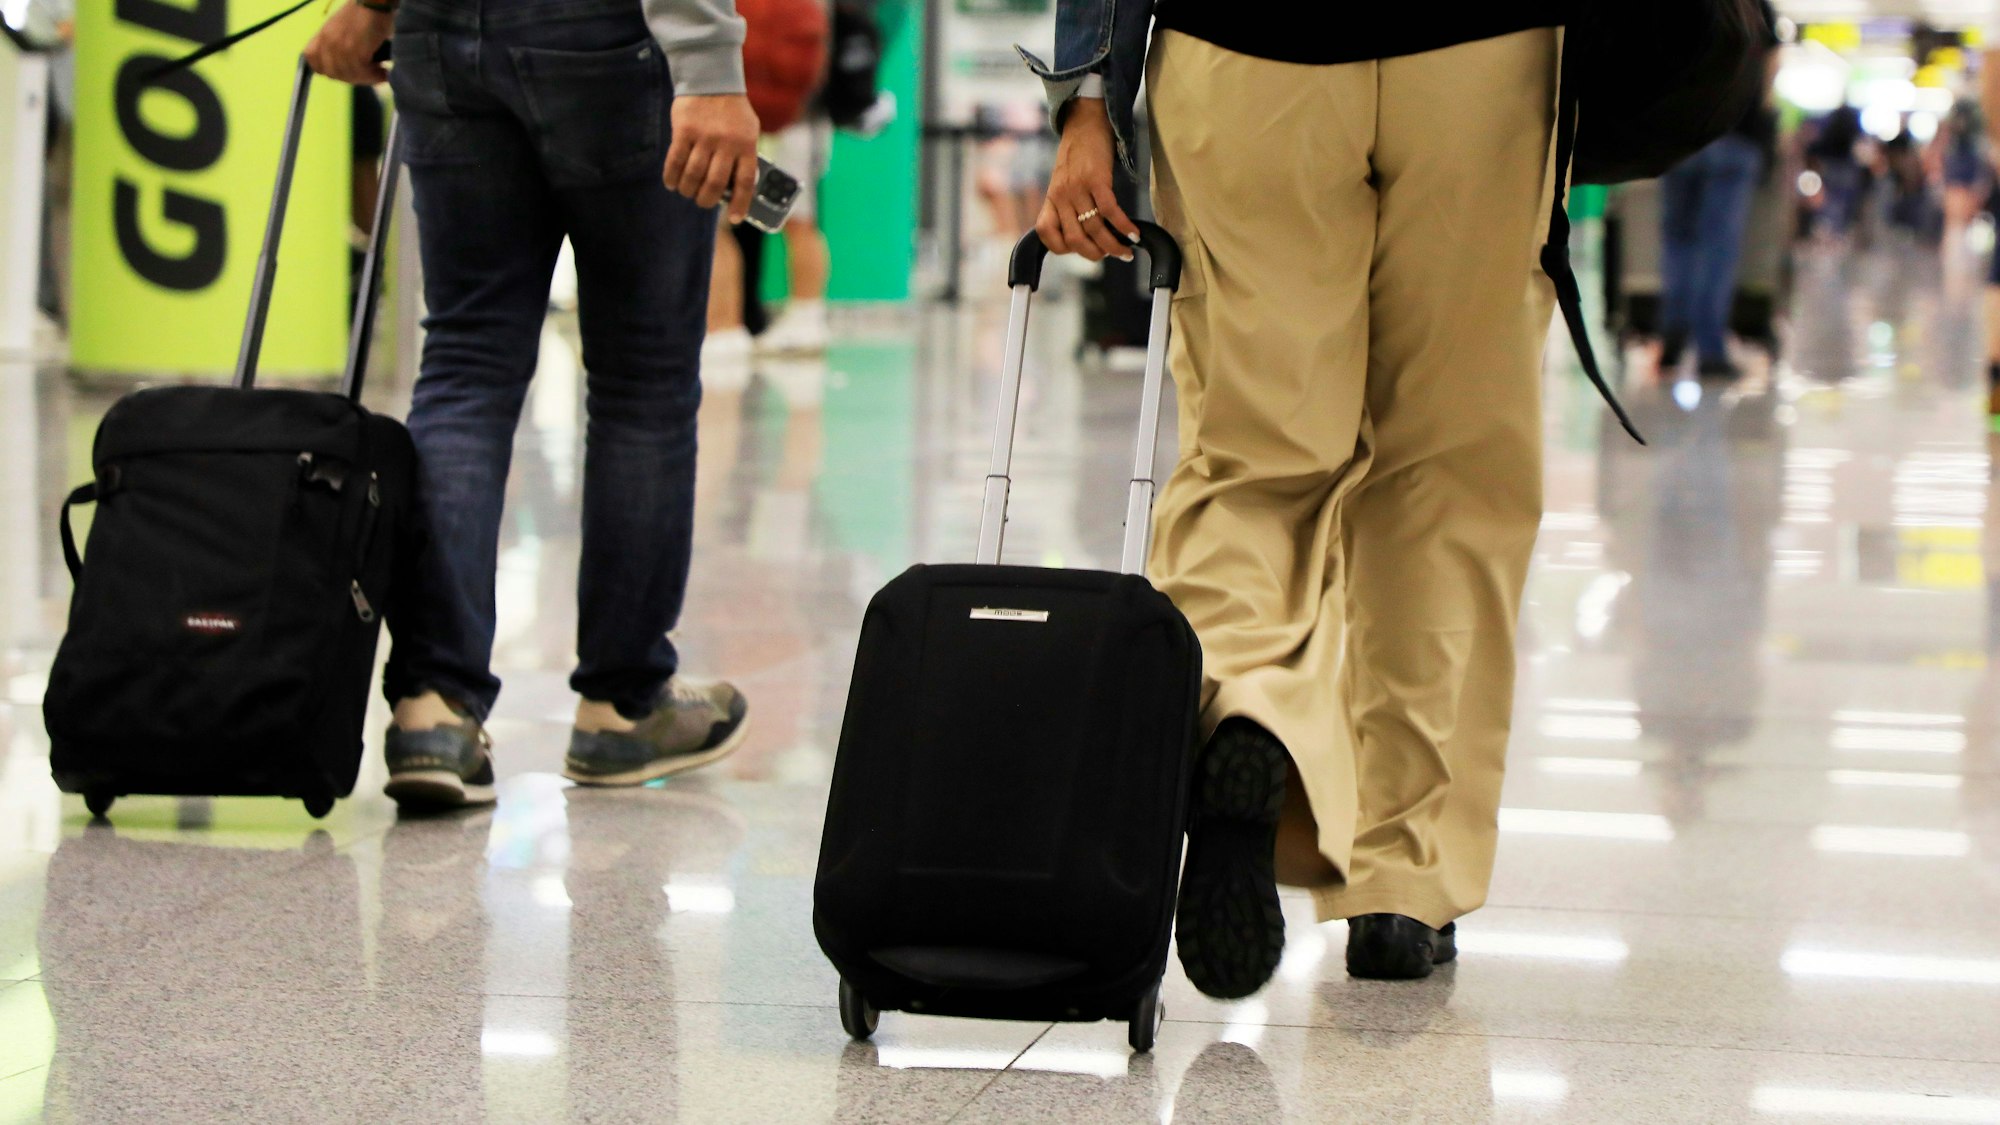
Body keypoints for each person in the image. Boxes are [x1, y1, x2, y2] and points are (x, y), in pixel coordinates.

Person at [1025, 3, 1571, 996]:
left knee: (1253, 456)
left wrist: (1086, 99)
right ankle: (1402, 880)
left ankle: (1246, 706)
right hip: (1482, 61)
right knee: (1444, 474)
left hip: (1247, 57)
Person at [305, 0, 758, 807]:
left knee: (464, 363)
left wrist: (374, 6)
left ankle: (432, 710)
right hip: (608, 36)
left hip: (440, 34)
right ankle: (622, 705)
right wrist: (709, 67)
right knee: (642, 381)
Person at [1657, 1, 1780, 379]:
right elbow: (1770, 66)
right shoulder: (1754, 5)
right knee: (1717, 246)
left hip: (1678, 136)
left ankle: (1673, 332)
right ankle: (1710, 349)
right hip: (1735, 135)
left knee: (1678, 239)